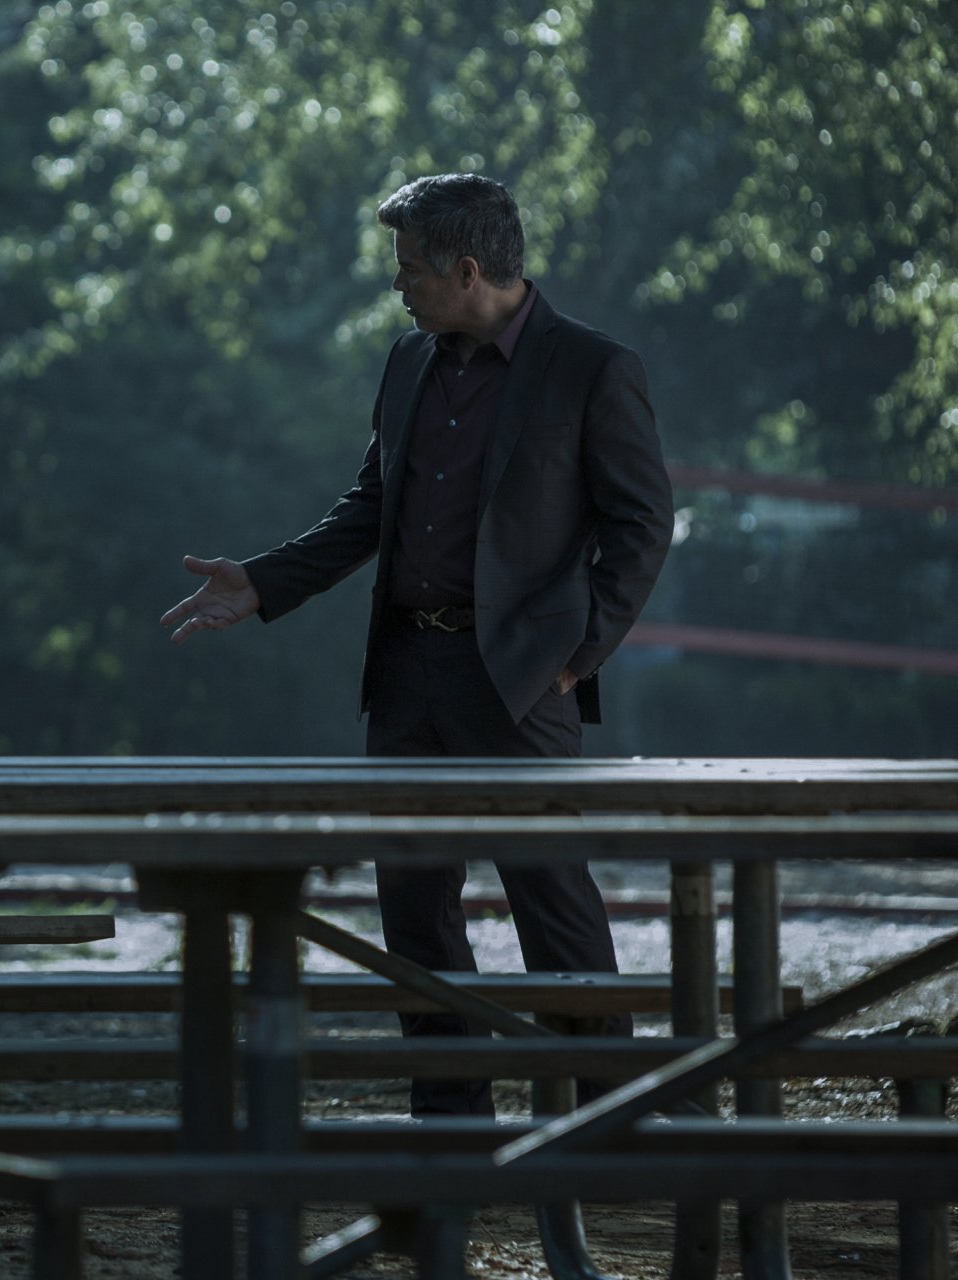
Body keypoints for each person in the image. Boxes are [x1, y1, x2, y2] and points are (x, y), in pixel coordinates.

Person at [161, 173, 673, 1116]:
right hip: (405, 671)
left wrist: (577, 655)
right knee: (414, 905)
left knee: (550, 894)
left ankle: (601, 1111)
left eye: (410, 271)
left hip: (520, 678)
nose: (399, 288)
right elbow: (370, 510)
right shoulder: (408, 361)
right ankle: (450, 1115)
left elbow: (643, 525)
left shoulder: (593, 368)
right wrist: (264, 581)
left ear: (467, 270)